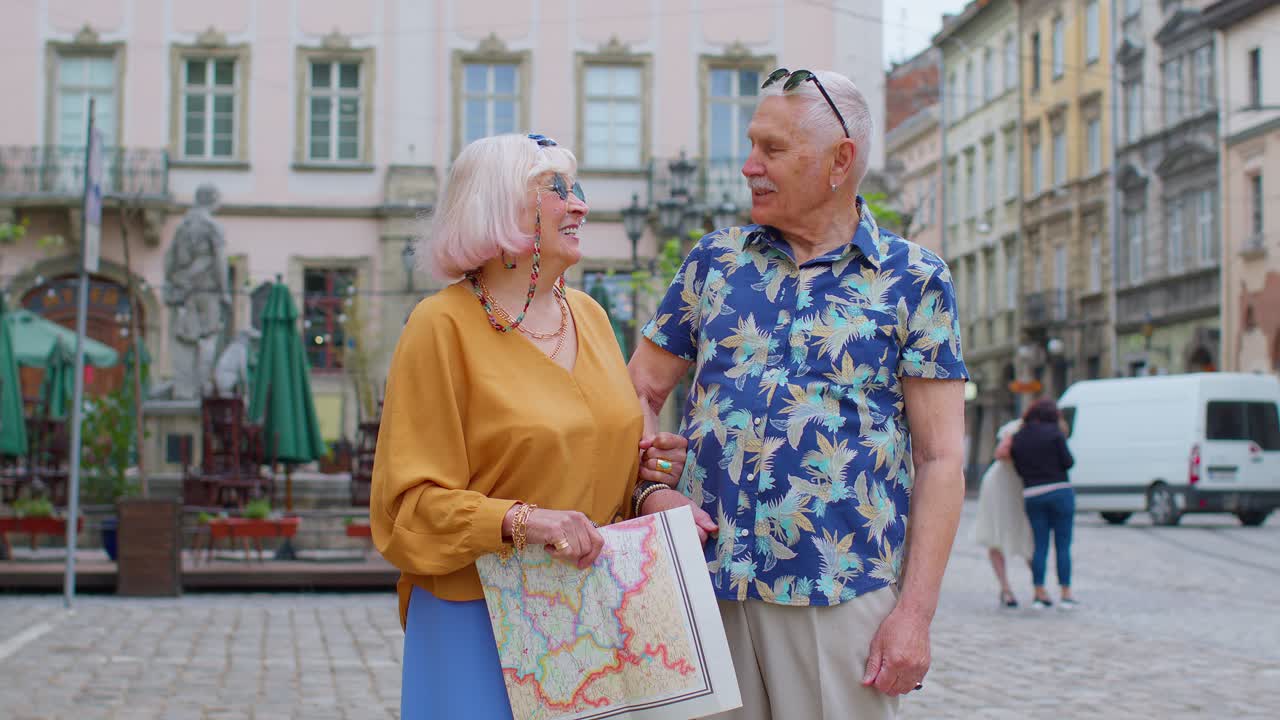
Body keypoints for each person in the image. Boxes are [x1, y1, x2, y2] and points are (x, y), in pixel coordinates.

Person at [628, 68, 968, 720]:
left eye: (773, 149)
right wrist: (650, 486)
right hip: (704, 586)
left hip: (837, 597)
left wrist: (914, 616)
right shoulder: (714, 262)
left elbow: (942, 459)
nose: (750, 165)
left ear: (841, 161)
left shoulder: (914, 280)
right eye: (752, 144)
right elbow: (636, 388)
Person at [369, 133, 696, 720]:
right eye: (558, 191)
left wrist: (650, 488)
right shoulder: (439, 326)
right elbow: (408, 506)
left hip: (587, 614)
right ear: (500, 207)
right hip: (476, 614)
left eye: (579, 190)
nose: (580, 206)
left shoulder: (591, 316)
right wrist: (527, 521)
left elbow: (592, 462)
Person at [1009, 398, 1077, 610]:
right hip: (1059, 491)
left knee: (1040, 545)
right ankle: (1065, 592)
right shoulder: (1055, 433)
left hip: (1033, 493)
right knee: (1063, 545)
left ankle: (1039, 592)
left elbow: (1019, 469)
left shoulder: (1018, 437)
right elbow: (1068, 462)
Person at [974, 418, 1033, 608]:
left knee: (1026, 535)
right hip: (1000, 485)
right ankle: (1006, 588)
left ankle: (1037, 586)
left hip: (1016, 486)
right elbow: (1001, 453)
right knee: (996, 532)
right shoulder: (1016, 428)